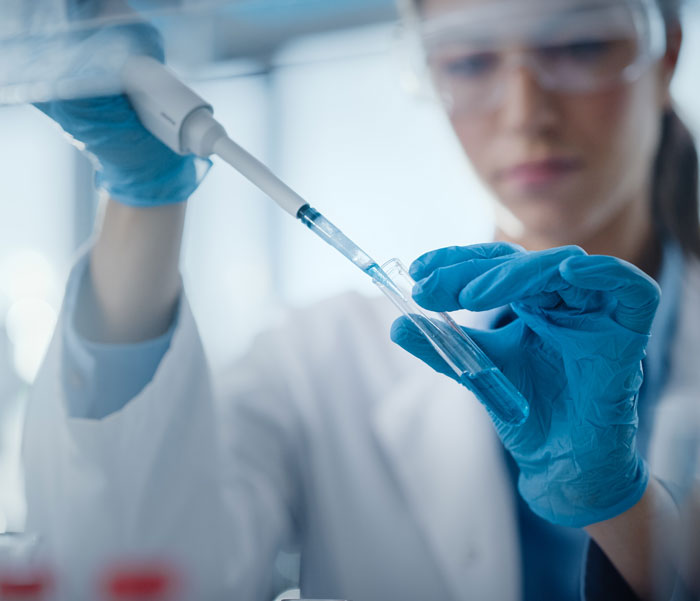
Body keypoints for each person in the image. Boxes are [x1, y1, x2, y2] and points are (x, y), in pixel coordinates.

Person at [21, 0, 699, 599]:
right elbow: (126, 563)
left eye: (578, 47)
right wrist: (145, 202)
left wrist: (625, 510)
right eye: (469, 62)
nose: (526, 112)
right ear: (431, 74)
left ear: (665, 50)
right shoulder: (322, 361)